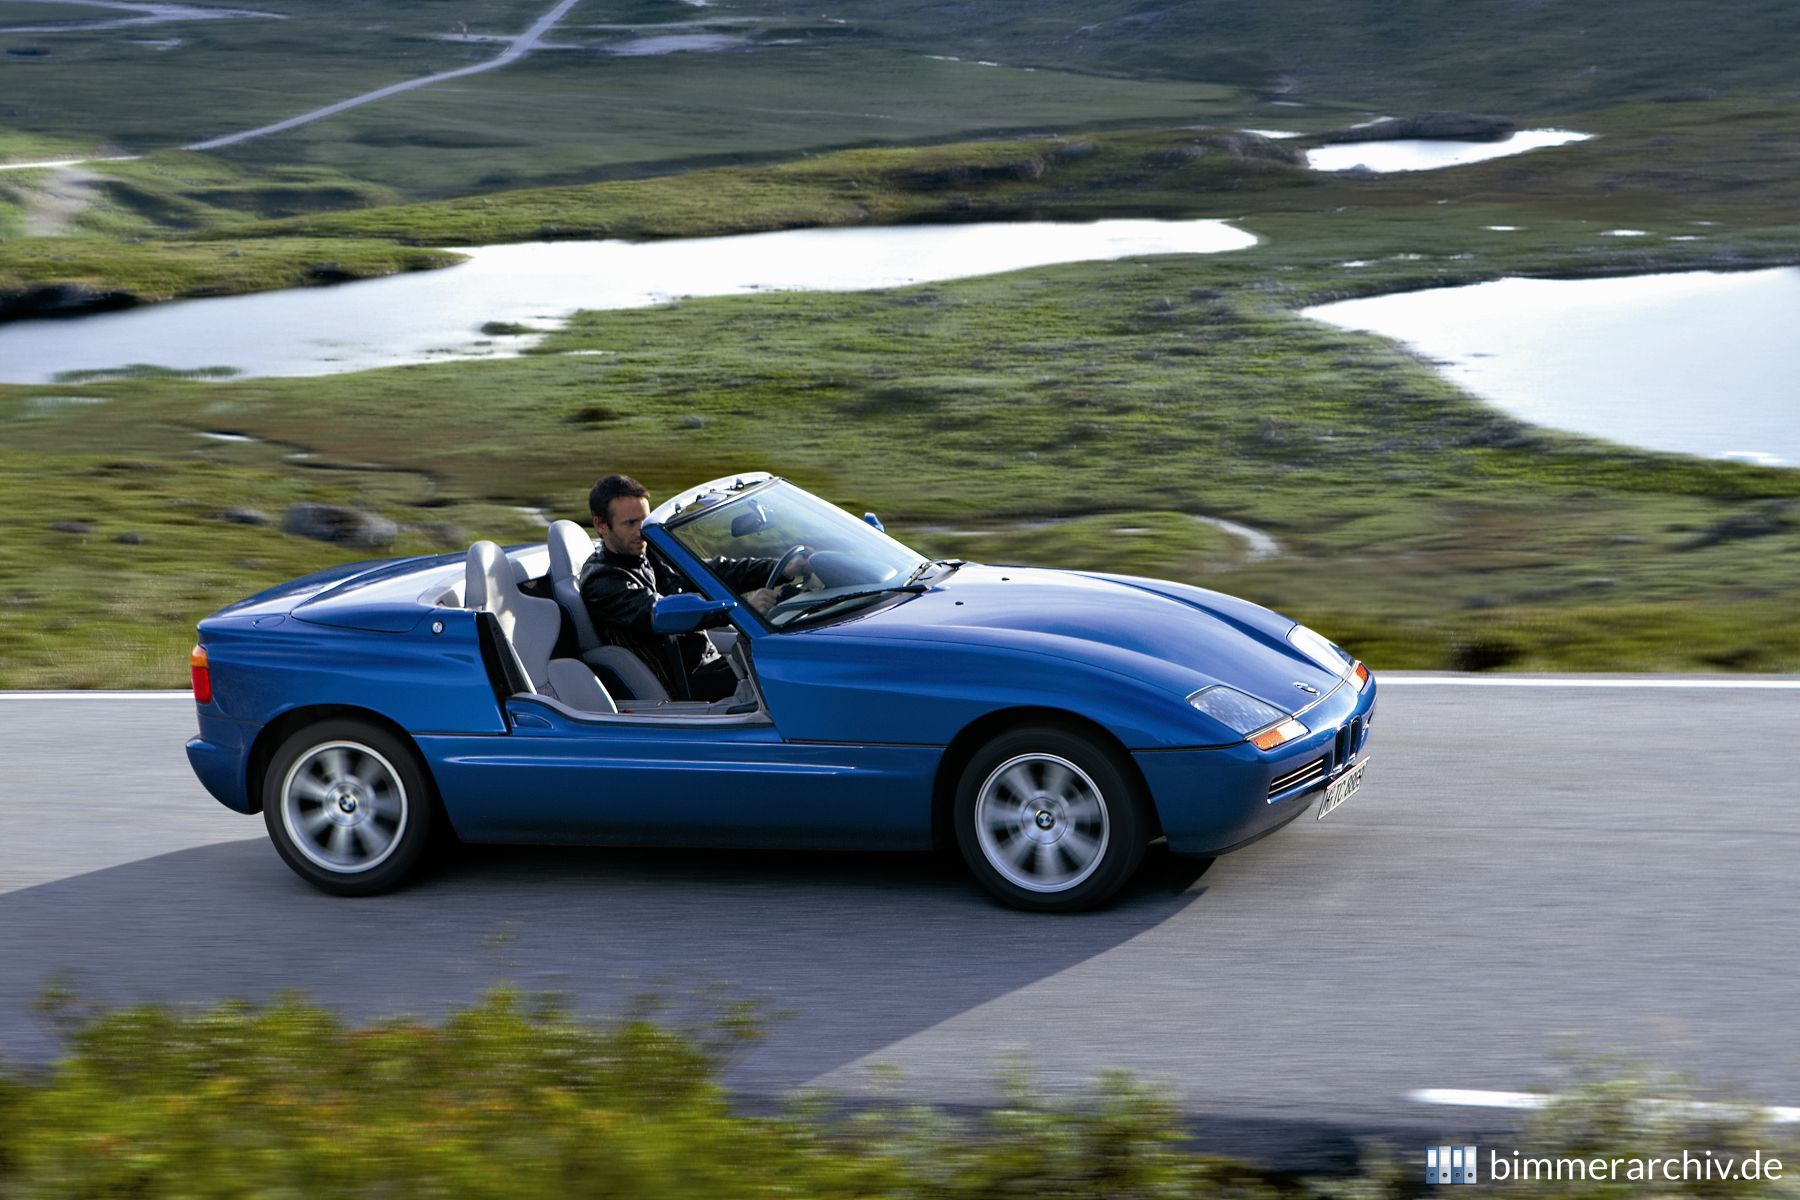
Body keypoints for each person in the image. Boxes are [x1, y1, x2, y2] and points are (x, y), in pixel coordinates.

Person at [577, 474, 797, 702]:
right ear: (601, 525)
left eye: (644, 521)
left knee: (791, 651)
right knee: (789, 674)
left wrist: (782, 569)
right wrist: (742, 607)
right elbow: (660, 612)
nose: (640, 531)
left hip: (709, 665)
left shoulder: (649, 552)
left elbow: (713, 572)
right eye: (630, 523)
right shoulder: (602, 581)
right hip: (688, 688)